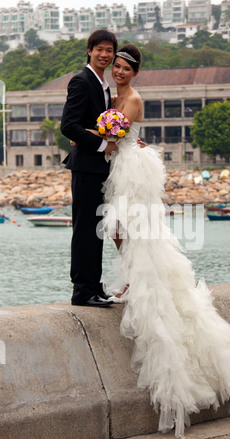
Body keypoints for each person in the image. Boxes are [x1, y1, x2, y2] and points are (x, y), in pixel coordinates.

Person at [90, 44, 230, 438]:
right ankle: (131, 275)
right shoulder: (111, 93)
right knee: (117, 225)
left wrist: (94, 137)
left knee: (128, 225)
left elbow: (117, 135)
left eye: (126, 68)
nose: (120, 72)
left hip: (129, 167)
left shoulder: (133, 98)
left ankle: (135, 277)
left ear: (136, 71)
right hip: (124, 163)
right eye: (118, 66)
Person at [60, 30, 118, 308]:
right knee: (85, 229)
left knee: (96, 229)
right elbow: (68, 126)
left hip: (99, 169)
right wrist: (101, 145)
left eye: (109, 50)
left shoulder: (103, 84)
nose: (104, 55)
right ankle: (82, 291)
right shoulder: (81, 81)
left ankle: (94, 286)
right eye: (100, 50)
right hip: (85, 166)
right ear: (89, 50)